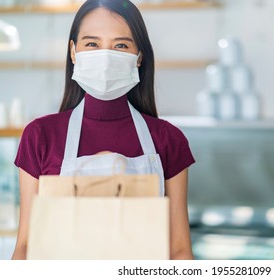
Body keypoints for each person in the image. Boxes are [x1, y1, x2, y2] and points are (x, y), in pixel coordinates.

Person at [12, 0, 195, 260]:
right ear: (74, 52)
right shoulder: (41, 135)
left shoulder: (167, 139)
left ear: (139, 56)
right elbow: (26, 247)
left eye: (120, 45)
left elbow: (179, 250)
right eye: (92, 44)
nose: (106, 57)